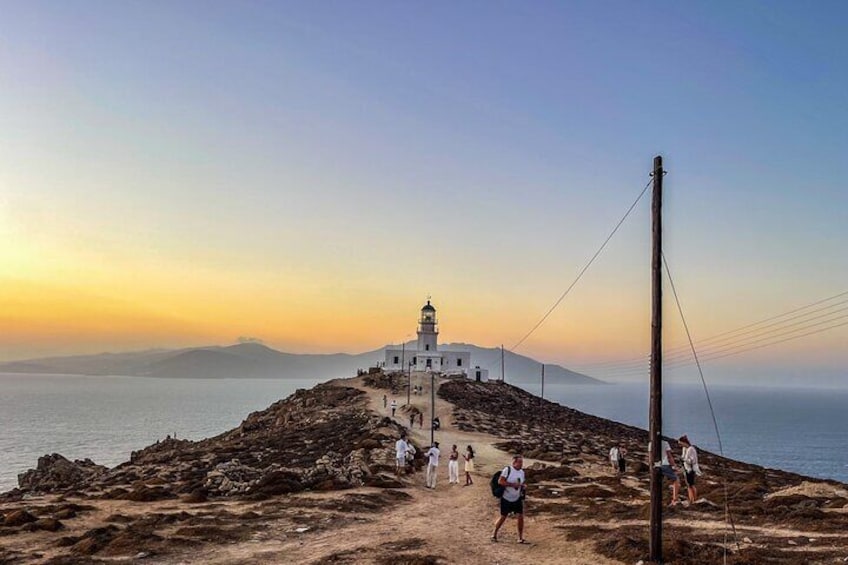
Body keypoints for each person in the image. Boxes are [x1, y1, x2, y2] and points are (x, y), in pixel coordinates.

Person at [491, 454, 527, 544]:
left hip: (517, 498)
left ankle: (520, 537)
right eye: (519, 462)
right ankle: (494, 534)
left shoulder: (522, 472)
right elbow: (500, 481)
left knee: (520, 516)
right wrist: (512, 485)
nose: (521, 464)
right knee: (503, 516)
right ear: (514, 462)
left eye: (522, 462)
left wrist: (523, 486)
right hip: (506, 498)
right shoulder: (508, 470)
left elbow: (521, 483)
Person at [648, 439, 681, 506]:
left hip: (656, 465)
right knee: (676, 480)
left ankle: (655, 498)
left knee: (657, 482)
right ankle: (675, 499)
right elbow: (669, 456)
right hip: (664, 464)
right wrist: (674, 466)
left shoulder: (651, 443)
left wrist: (651, 467)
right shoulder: (665, 443)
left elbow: (650, 457)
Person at [678, 435, 702, 504]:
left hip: (691, 468)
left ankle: (694, 499)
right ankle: (691, 499)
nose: (680, 445)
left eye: (680, 443)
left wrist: (684, 459)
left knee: (691, 484)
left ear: (684, 442)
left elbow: (693, 460)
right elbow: (683, 456)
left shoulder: (691, 449)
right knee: (688, 485)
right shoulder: (684, 448)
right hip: (686, 468)